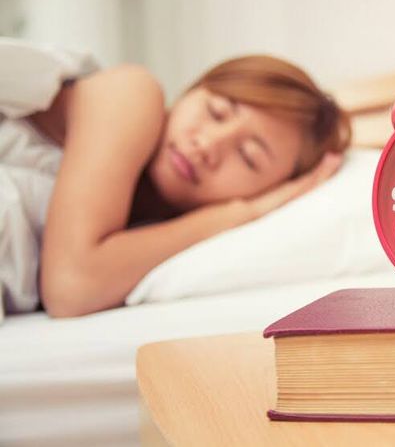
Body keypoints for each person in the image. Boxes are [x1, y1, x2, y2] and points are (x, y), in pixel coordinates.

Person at [23, 54, 349, 317]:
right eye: (216, 112)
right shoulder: (130, 94)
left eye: (248, 157)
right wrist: (238, 213)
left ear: (269, 189)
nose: (207, 144)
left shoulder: (154, 229)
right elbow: (72, 285)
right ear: (193, 89)